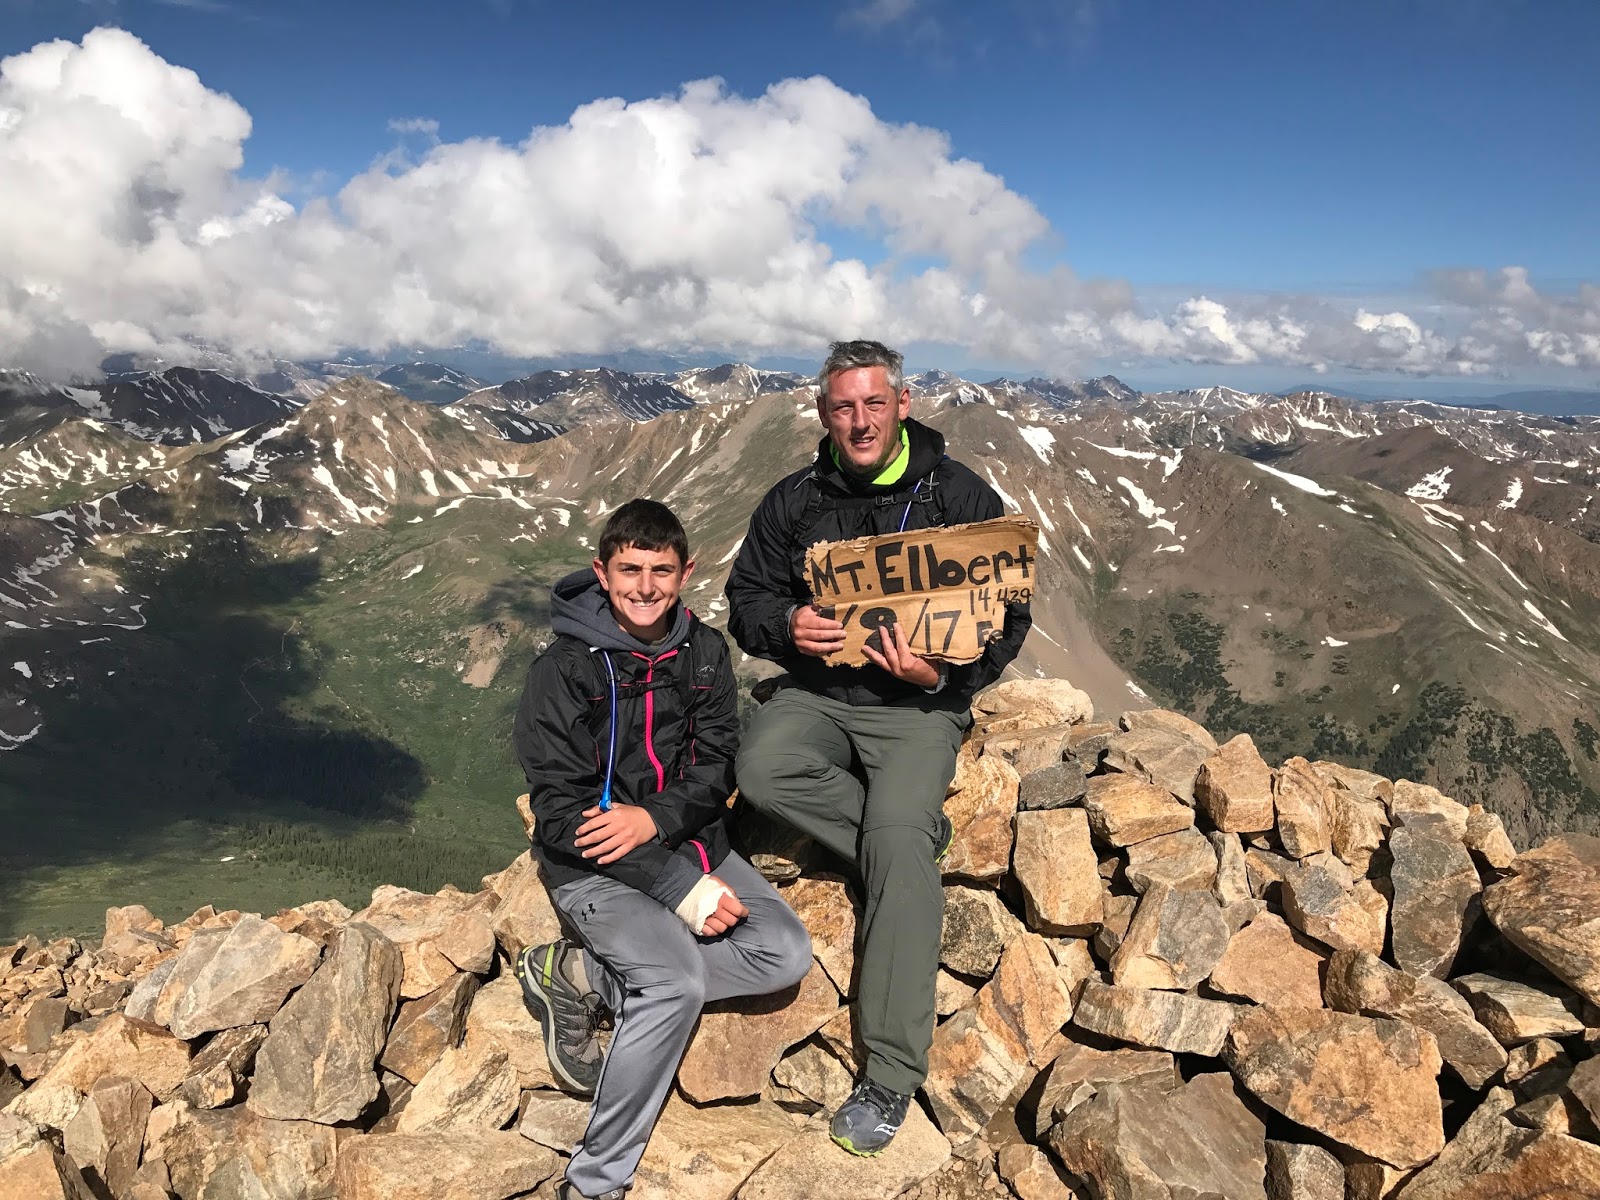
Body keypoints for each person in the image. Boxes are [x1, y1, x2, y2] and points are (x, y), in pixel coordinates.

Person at [727, 339, 1031, 1156]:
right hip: (818, 693)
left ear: (902, 403)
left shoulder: (959, 495)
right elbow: (746, 599)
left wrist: (942, 673)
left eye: (871, 403)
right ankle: (904, 855)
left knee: (895, 840)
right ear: (823, 414)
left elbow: (1009, 616)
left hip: (915, 709)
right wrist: (784, 626)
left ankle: (890, 1073)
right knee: (760, 768)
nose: (857, 420)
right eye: (841, 407)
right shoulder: (795, 499)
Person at [513, 498, 813, 1200]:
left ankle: (583, 976)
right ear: (601, 571)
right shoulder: (563, 671)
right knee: (674, 983)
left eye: (660, 571)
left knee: (786, 954)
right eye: (629, 571)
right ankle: (594, 1183)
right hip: (592, 869)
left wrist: (654, 823)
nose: (644, 587)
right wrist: (673, 884)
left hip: (690, 845)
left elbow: (715, 769)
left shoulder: (704, 652)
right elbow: (558, 812)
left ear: (685, 572)